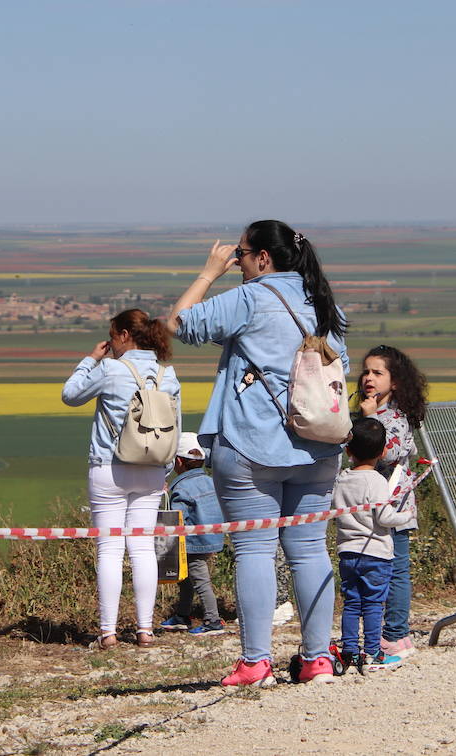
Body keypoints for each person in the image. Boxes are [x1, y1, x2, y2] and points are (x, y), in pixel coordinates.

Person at [168, 220, 348, 687]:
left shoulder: (249, 298)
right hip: (318, 447)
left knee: (253, 550)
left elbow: (179, 323)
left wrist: (209, 272)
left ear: (262, 258)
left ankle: (255, 662)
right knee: (310, 551)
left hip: (251, 443)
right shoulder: (324, 303)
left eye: (242, 255)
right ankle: (316, 659)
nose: (238, 261)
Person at [62, 308, 180, 649]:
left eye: (112, 337)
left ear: (125, 336)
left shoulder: (110, 369)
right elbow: (177, 424)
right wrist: (165, 469)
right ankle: (145, 630)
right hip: (153, 468)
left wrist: (90, 360)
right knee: (143, 548)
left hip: (109, 467)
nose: (110, 344)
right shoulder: (167, 374)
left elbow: (70, 395)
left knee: (110, 550)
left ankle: (108, 633)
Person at [355, 344, 426, 660]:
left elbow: (387, 452)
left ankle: (395, 634)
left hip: (393, 507)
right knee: (386, 570)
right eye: (366, 371)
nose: (368, 378)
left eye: (377, 373)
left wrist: (370, 421)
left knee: (395, 571)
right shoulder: (381, 413)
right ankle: (392, 632)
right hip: (382, 505)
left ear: (394, 381)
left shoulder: (392, 416)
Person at [334, 417, 414, 673]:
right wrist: (407, 516)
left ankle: (348, 652)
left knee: (352, 603)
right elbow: (384, 518)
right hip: (376, 554)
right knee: (372, 605)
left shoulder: (342, 479)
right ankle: (373, 652)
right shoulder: (378, 481)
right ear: (382, 452)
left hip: (348, 552)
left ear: (348, 450)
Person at [159, 432, 226, 636]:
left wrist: (164, 497)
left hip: (192, 543)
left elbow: (178, 518)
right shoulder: (210, 481)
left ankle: (213, 620)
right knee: (186, 579)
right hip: (211, 538)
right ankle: (182, 615)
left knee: (200, 580)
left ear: (178, 461)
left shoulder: (182, 488)